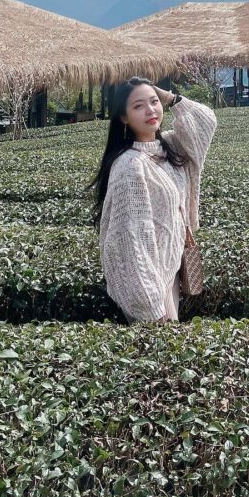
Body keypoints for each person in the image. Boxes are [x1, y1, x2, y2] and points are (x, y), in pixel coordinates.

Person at [89, 77, 217, 324]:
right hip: (152, 287)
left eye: (154, 102)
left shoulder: (169, 146)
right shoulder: (130, 166)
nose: (150, 110)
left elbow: (206, 122)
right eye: (138, 106)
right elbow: (131, 242)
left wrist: (169, 98)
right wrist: (152, 308)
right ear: (124, 118)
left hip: (170, 274)